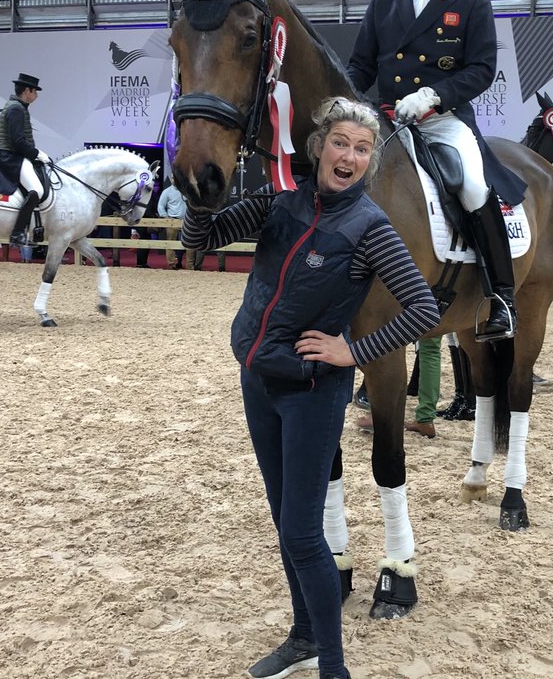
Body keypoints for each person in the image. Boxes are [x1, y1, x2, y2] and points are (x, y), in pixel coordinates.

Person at [181, 97, 439, 679]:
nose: (349, 155)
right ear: (319, 145)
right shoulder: (280, 203)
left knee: (302, 531)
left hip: (313, 391)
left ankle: (334, 667)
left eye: (363, 148)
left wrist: (353, 350)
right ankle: (303, 638)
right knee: (286, 522)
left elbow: (422, 305)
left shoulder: (369, 226)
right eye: (341, 142)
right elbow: (204, 239)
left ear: (370, 162)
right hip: (258, 377)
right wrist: (199, 200)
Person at [347, 0, 525, 340]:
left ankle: (501, 296)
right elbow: (361, 68)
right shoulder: (383, 2)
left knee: (472, 184)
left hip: (442, 120)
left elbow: (483, 69)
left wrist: (433, 95)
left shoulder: (472, 2)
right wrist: (344, 104)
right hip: (387, 121)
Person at [0, 73, 50, 246]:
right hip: (11, 157)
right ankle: (17, 233)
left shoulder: (19, 107)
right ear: (27, 91)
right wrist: (36, 154)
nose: (36, 96)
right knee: (37, 190)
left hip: (15, 155)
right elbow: (18, 142)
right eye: (35, 92)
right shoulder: (16, 109)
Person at [156, 175, 187, 269]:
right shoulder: (167, 192)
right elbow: (160, 206)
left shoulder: (187, 190)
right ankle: (171, 264)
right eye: (173, 178)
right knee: (170, 243)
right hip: (172, 221)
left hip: (186, 221)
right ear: (170, 178)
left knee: (190, 243)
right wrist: (166, 217)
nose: (175, 179)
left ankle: (190, 265)